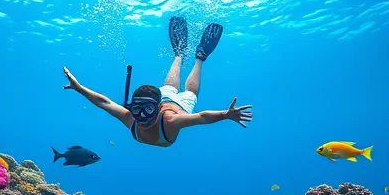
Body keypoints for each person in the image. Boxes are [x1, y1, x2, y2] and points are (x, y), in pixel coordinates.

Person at [63, 17, 252, 147]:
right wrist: (78, 88)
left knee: (184, 92)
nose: (142, 116)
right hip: (166, 100)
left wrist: (225, 115)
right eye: (137, 109)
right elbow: (104, 103)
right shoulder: (132, 118)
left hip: (176, 106)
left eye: (147, 110)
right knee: (175, 89)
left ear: (156, 107)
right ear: (132, 107)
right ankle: (180, 55)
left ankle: (198, 58)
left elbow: (202, 117)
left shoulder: (168, 121)